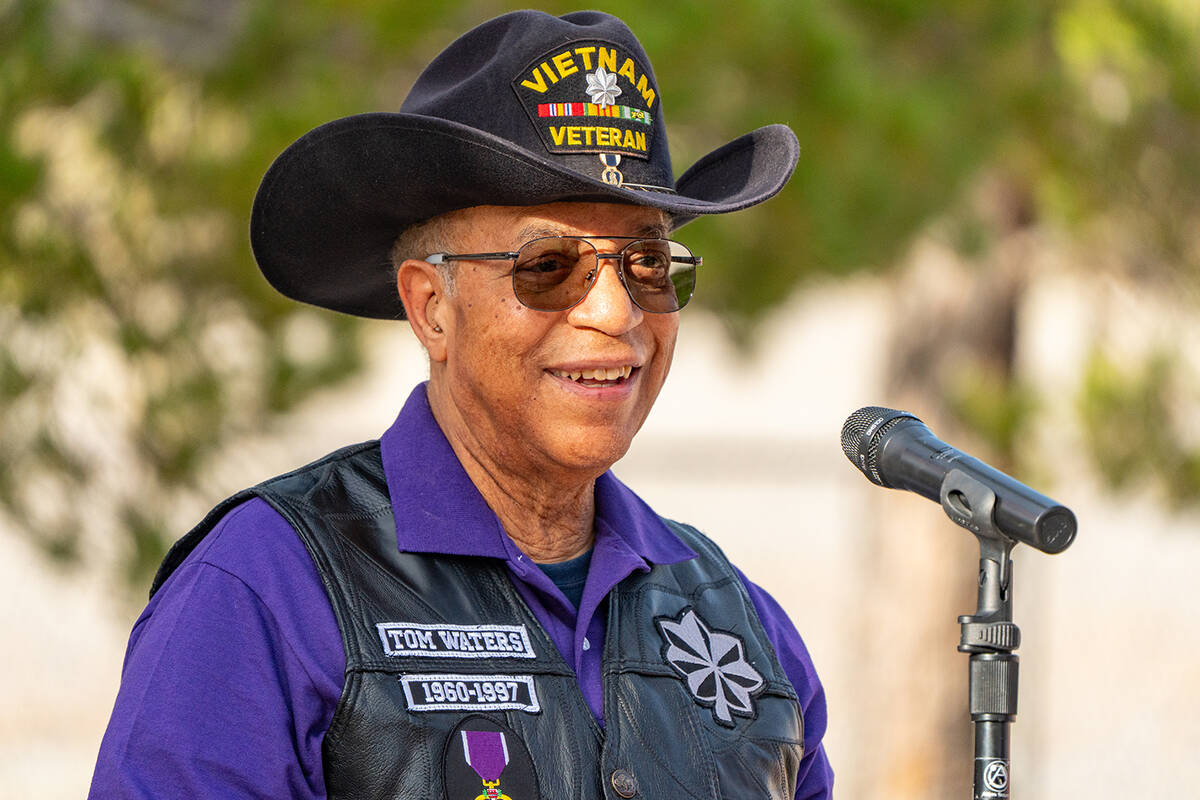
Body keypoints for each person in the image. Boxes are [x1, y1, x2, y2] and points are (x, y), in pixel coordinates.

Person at [89, 9, 833, 799]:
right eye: (549, 264)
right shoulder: (267, 587)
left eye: (648, 263)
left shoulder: (744, 624)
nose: (617, 315)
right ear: (431, 307)